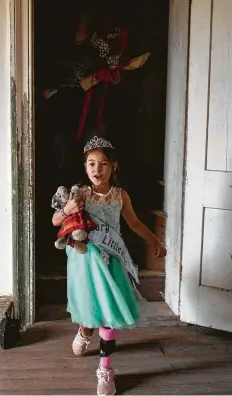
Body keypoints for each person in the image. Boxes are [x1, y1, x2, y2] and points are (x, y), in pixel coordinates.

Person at [51, 136, 166, 396]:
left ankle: (105, 369)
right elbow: (56, 221)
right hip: (84, 259)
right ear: (84, 167)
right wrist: (67, 209)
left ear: (114, 166)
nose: (97, 169)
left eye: (103, 163)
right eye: (91, 163)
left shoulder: (119, 195)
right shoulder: (78, 193)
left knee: (109, 310)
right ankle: (84, 329)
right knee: (88, 305)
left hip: (111, 259)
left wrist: (155, 239)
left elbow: (135, 224)